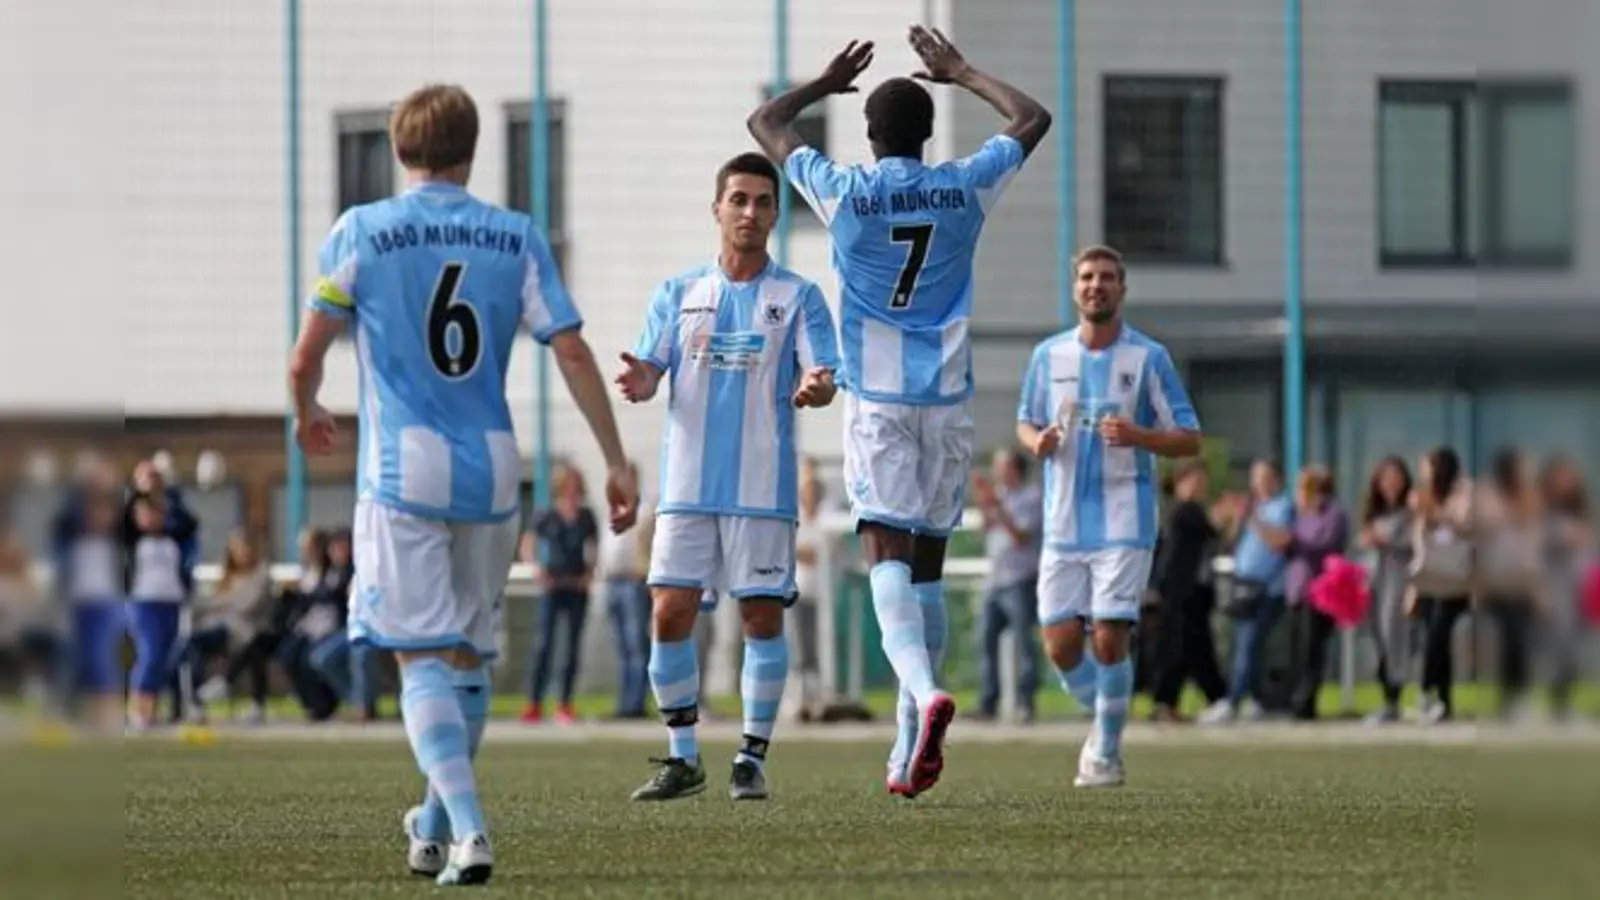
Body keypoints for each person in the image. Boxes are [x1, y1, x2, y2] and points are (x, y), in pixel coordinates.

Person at [287, 83, 637, 887]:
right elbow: (573, 351)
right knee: (466, 656)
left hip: (403, 470)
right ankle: (432, 823)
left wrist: (307, 411)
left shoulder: (362, 231)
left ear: (399, 146)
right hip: (491, 466)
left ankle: (472, 831)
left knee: (420, 662)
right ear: (473, 149)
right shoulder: (515, 237)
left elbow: (306, 355)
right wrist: (614, 458)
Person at [749, 25, 1051, 798]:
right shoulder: (963, 185)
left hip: (879, 400)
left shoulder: (845, 190)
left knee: (884, 551)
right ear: (924, 133)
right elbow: (1032, 118)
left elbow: (766, 125)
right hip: (947, 400)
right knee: (927, 564)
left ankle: (919, 697)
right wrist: (963, 71)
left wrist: (821, 83)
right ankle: (908, 737)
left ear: (872, 135)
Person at [614, 152, 838, 802]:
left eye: (762, 202)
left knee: (762, 620)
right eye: (737, 199)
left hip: (761, 491)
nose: (749, 212)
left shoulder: (798, 296)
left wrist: (816, 387)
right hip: (686, 489)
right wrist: (641, 378)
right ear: (716, 209)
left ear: (775, 213)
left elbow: (820, 374)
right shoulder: (678, 293)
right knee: (668, 611)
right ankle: (684, 756)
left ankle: (751, 756)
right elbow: (653, 365)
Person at [1016, 245, 1202, 788]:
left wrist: (1140, 436)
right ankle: (1106, 713)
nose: (1096, 286)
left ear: (1122, 289)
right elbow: (1026, 422)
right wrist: (1039, 443)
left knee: (1110, 637)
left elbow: (1189, 437)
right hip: (1064, 523)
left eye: (1107, 278)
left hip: (1125, 521)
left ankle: (1107, 754)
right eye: (1087, 277)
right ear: (1075, 289)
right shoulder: (1048, 357)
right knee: (1060, 644)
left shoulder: (1149, 358)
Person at [1199, 459, 1293, 725]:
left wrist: (1254, 518)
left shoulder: (1281, 507)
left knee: (1248, 643)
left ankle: (1233, 700)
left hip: (1267, 588)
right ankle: (1253, 699)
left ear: (1276, 479)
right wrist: (1234, 517)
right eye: (1255, 477)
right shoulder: (1254, 509)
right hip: (1241, 587)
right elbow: (1229, 541)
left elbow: (1280, 541)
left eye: (1264, 476)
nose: (1258, 483)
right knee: (1242, 645)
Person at [1148, 460, 1229, 722]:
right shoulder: (1185, 512)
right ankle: (1171, 701)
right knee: (1180, 647)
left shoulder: (1184, 512)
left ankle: (1203, 698)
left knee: (1190, 646)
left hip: (1189, 592)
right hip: (1180, 592)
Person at [970, 448, 1043, 723]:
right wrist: (985, 503)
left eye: (1001, 466)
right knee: (984, 639)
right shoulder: (998, 497)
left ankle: (1026, 701)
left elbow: (1021, 536)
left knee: (1025, 641)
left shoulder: (1032, 497)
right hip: (995, 579)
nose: (996, 472)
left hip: (1020, 579)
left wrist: (997, 507)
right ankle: (988, 702)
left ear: (1015, 469)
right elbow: (983, 530)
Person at [522, 465, 599, 725]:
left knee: (571, 647)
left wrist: (589, 574)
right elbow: (529, 543)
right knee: (544, 644)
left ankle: (565, 703)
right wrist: (536, 569)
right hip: (553, 585)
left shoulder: (586, 515)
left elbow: (593, 546)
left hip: (576, 585)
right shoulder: (547, 515)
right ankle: (534, 703)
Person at [1358, 455, 1416, 724]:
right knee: (1378, 639)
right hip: (1374, 581)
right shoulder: (1374, 512)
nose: (1391, 483)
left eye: (1396, 477)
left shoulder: (1410, 511)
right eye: (1386, 478)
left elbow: (1413, 542)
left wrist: (1385, 540)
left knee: (1396, 638)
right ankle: (1386, 699)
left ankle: (1395, 698)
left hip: (1399, 581)